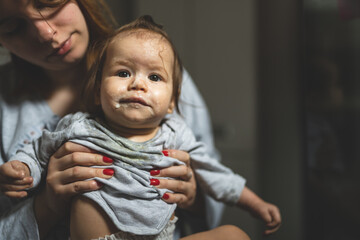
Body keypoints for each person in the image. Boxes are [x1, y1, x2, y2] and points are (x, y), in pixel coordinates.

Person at [1, 15, 280, 240]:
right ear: (97, 92)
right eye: (123, 73)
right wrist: (24, 170)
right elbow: (37, 151)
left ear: (173, 101)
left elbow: (216, 175)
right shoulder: (80, 126)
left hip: (162, 233)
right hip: (103, 236)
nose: (138, 83)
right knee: (87, 201)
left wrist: (254, 203)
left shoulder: (176, 132)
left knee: (235, 235)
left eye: (155, 76)